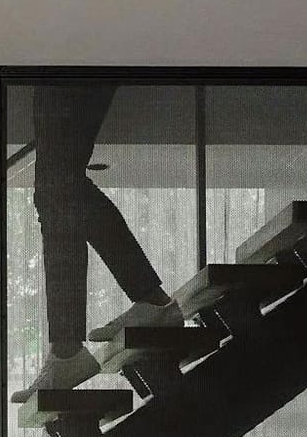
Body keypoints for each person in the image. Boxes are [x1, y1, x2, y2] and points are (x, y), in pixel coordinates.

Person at [12, 84, 185, 403]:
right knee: (58, 188)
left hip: (70, 54)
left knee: (58, 186)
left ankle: (70, 348)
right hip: (66, 54)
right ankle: (145, 304)